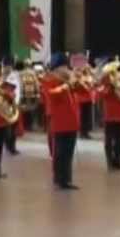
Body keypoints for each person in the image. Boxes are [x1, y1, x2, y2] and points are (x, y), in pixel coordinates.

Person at [45, 53, 80, 190]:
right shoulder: (50, 80)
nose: (67, 69)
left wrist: (73, 80)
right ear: (56, 69)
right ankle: (59, 179)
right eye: (63, 67)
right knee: (59, 152)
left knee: (68, 153)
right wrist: (65, 86)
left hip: (72, 121)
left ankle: (66, 179)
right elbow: (51, 95)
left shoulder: (69, 82)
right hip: (59, 121)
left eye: (67, 66)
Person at [97, 61, 120, 170]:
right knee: (109, 140)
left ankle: (117, 162)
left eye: (118, 71)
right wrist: (110, 85)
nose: (118, 73)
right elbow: (101, 95)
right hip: (110, 115)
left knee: (119, 141)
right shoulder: (107, 84)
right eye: (115, 71)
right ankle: (110, 162)